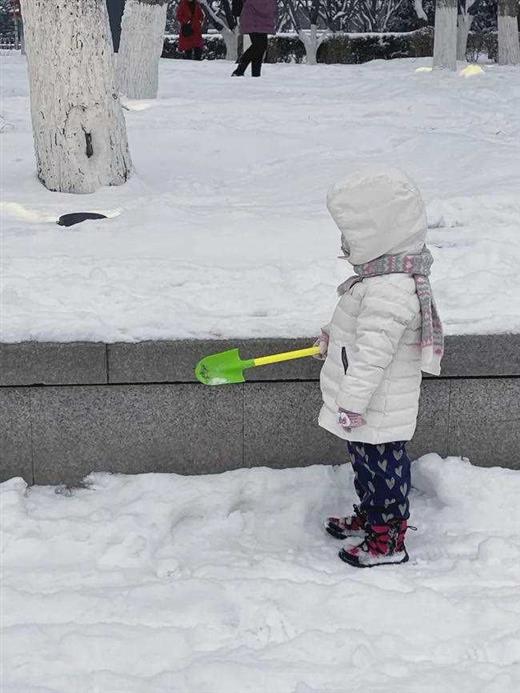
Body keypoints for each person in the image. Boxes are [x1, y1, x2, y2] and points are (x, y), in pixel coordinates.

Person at [316, 167, 444, 568]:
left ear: (379, 234)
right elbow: (362, 334)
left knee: (383, 473)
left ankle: (388, 539)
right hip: (370, 406)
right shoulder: (380, 281)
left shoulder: (390, 288)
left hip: (375, 404)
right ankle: (373, 520)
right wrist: (332, 339)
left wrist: (351, 402)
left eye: (350, 237)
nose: (343, 246)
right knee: (366, 467)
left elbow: (374, 352)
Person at [232, 0, 277, 77]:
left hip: (260, 18)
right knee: (259, 46)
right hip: (253, 16)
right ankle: (240, 69)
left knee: (260, 47)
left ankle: (255, 74)